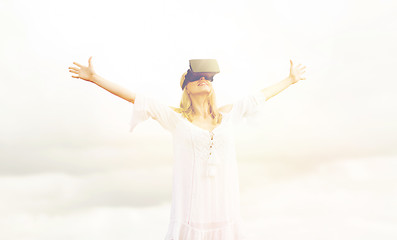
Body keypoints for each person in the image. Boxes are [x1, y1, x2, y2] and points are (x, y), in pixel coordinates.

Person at [68, 57, 306, 240]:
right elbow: (135, 97)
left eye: (208, 77)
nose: (203, 79)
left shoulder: (228, 115)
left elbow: (258, 97)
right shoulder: (176, 118)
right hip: (192, 212)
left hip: (225, 208)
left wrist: (291, 79)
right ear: (186, 87)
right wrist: (95, 78)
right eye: (196, 77)